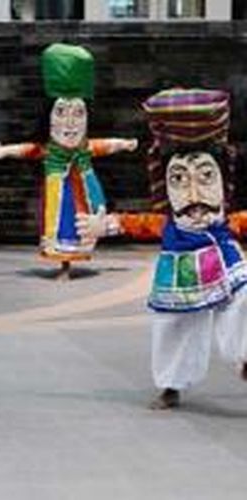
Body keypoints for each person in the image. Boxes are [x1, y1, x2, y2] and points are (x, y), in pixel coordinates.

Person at [76, 88, 247, 410]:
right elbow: (140, 223)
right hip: (180, 272)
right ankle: (171, 383)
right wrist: (107, 225)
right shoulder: (170, 224)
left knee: (245, 297)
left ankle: (246, 354)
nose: (195, 192)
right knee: (174, 326)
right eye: (180, 180)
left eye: (207, 178)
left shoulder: (225, 223)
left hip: (226, 261)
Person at [0, 43, 137, 279]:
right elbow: (28, 150)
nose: (70, 123)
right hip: (58, 191)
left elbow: (103, 145)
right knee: (61, 225)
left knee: (79, 226)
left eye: (78, 114)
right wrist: (3, 151)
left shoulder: (83, 149)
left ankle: (70, 262)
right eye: (62, 113)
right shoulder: (51, 151)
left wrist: (124, 144)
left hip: (81, 191)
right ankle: (64, 263)